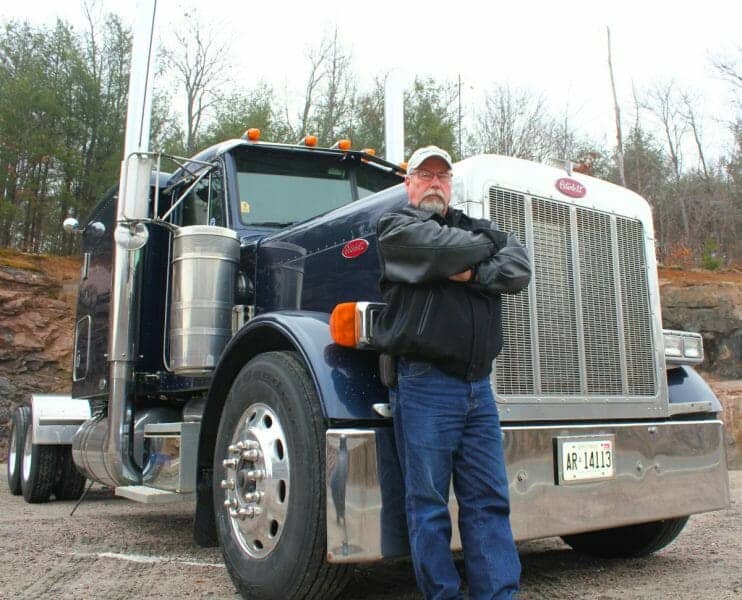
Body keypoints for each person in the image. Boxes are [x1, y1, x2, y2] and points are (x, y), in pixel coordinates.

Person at [373, 146, 531, 600]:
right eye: (425, 174)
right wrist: (485, 253)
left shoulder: (472, 227)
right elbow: (432, 248)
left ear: (451, 184)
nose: (435, 183)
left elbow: (519, 266)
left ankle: (499, 595)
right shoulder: (395, 227)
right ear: (409, 183)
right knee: (427, 506)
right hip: (425, 385)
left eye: (443, 176)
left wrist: (464, 271)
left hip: (479, 389)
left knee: (489, 503)